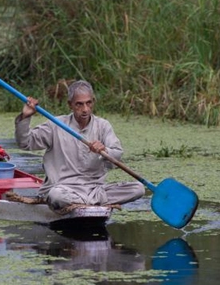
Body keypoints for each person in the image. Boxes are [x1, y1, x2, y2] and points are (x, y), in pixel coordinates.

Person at [15, 80, 145, 213]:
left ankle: (86, 203)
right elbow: (25, 142)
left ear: (93, 101)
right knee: (56, 196)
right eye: (79, 104)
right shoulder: (56, 125)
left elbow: (117, 154)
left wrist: (104, 150)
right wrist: (25, 116)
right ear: (70, 104)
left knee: (138, 189)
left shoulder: (103, 125)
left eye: (89, 103)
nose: (85, 109)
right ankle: (92, 204)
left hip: (95, 191)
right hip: (64, 190)